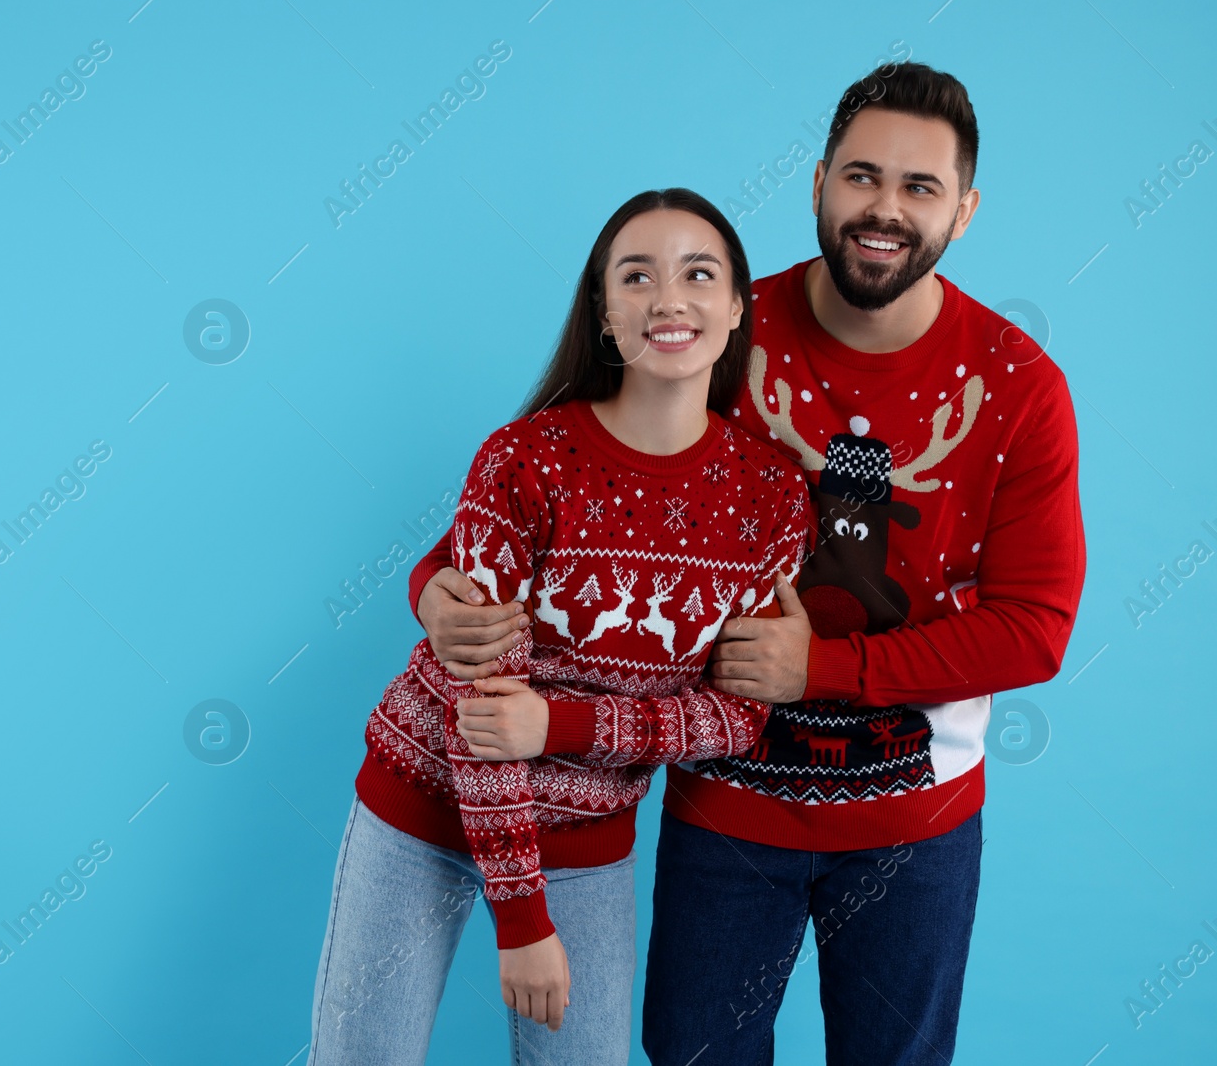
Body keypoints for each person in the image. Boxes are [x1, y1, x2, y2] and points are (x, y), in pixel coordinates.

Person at [407, 63, 1086, 1065]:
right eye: (861, 176)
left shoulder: (1020, 386)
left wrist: (821, 670)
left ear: (965, 210)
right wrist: (434, 589)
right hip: (725, 804)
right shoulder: (721, 323)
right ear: (816, 183)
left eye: (919, 187)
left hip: (917, 822)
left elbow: (1035, 627)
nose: (883, 209)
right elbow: (556, 469)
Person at [306, 188, 813, 1066]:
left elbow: (736, 716)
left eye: (699, 273)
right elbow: (484, 713)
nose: (669, 298)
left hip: (589, 846)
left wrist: (564, 725)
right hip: (422, 809)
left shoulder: (772, 500)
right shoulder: (527, 459)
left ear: (736, 307)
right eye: (637, 275)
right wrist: (522, 919)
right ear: (605, 313)